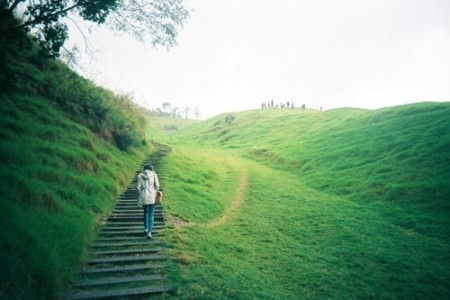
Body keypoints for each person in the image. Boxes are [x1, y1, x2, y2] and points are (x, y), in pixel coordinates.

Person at [137, 163, 160, 239]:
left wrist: (140, 194)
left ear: (144, 169)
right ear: (151, 168)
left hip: (144, 196)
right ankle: (150, 232)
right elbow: (157, 185)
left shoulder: (140, 175)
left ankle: (146, 228)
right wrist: (156, 192)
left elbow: (138, 188)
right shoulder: (154, 174)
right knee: (151, 214)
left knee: (145, 212)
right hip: (152, 196)